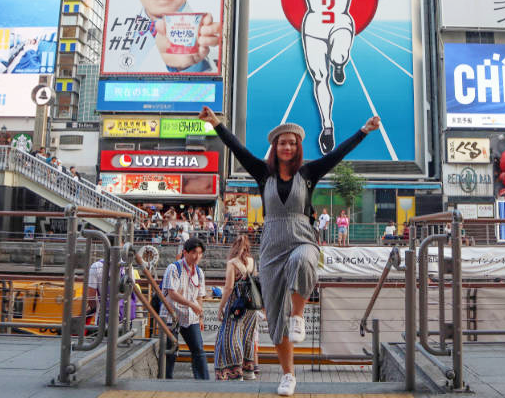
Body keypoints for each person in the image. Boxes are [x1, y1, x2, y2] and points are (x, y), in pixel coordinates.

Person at [199, 105, 380, 396]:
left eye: (292, 143)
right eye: (282, 142)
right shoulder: (262, 173)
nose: (287, 146)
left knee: (305, 260)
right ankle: (288, 376)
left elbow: (337, 154)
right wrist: (216, 123)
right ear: (275, 147)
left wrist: (363, 131)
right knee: (274, 318)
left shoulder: (308, 173)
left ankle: (298, 315)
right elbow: (237, 147)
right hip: (271, 248)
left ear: (297, 148)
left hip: (302, 238)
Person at [254, 0, 405, 153]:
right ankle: (327, 126)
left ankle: (339, 63)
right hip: (313, 27)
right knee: (319, 77)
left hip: (340, 23)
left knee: (339, 54)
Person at [159, 238, 209, 380]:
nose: (197, 256)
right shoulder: (174, 268)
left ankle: (203, 382)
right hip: (171, 314)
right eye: (194, 252)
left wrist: (200, 317)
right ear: (185, 253)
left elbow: (200, 296)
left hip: (190, 316)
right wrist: (192, 305)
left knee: (198, 350)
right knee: (171, 351)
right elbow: (172, 293)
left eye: (200, 253)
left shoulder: (199, 272)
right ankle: (165, 381)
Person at [214, 235, 259, 380]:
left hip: (236, 304)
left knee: (229, 336)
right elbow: (255, 281)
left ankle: (234, 370)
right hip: (251, 306)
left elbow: (228, 288)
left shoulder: (232, 263)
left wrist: (221, 307)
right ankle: (248, 370)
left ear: (234, 246)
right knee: (248, 336)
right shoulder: (252, 262)